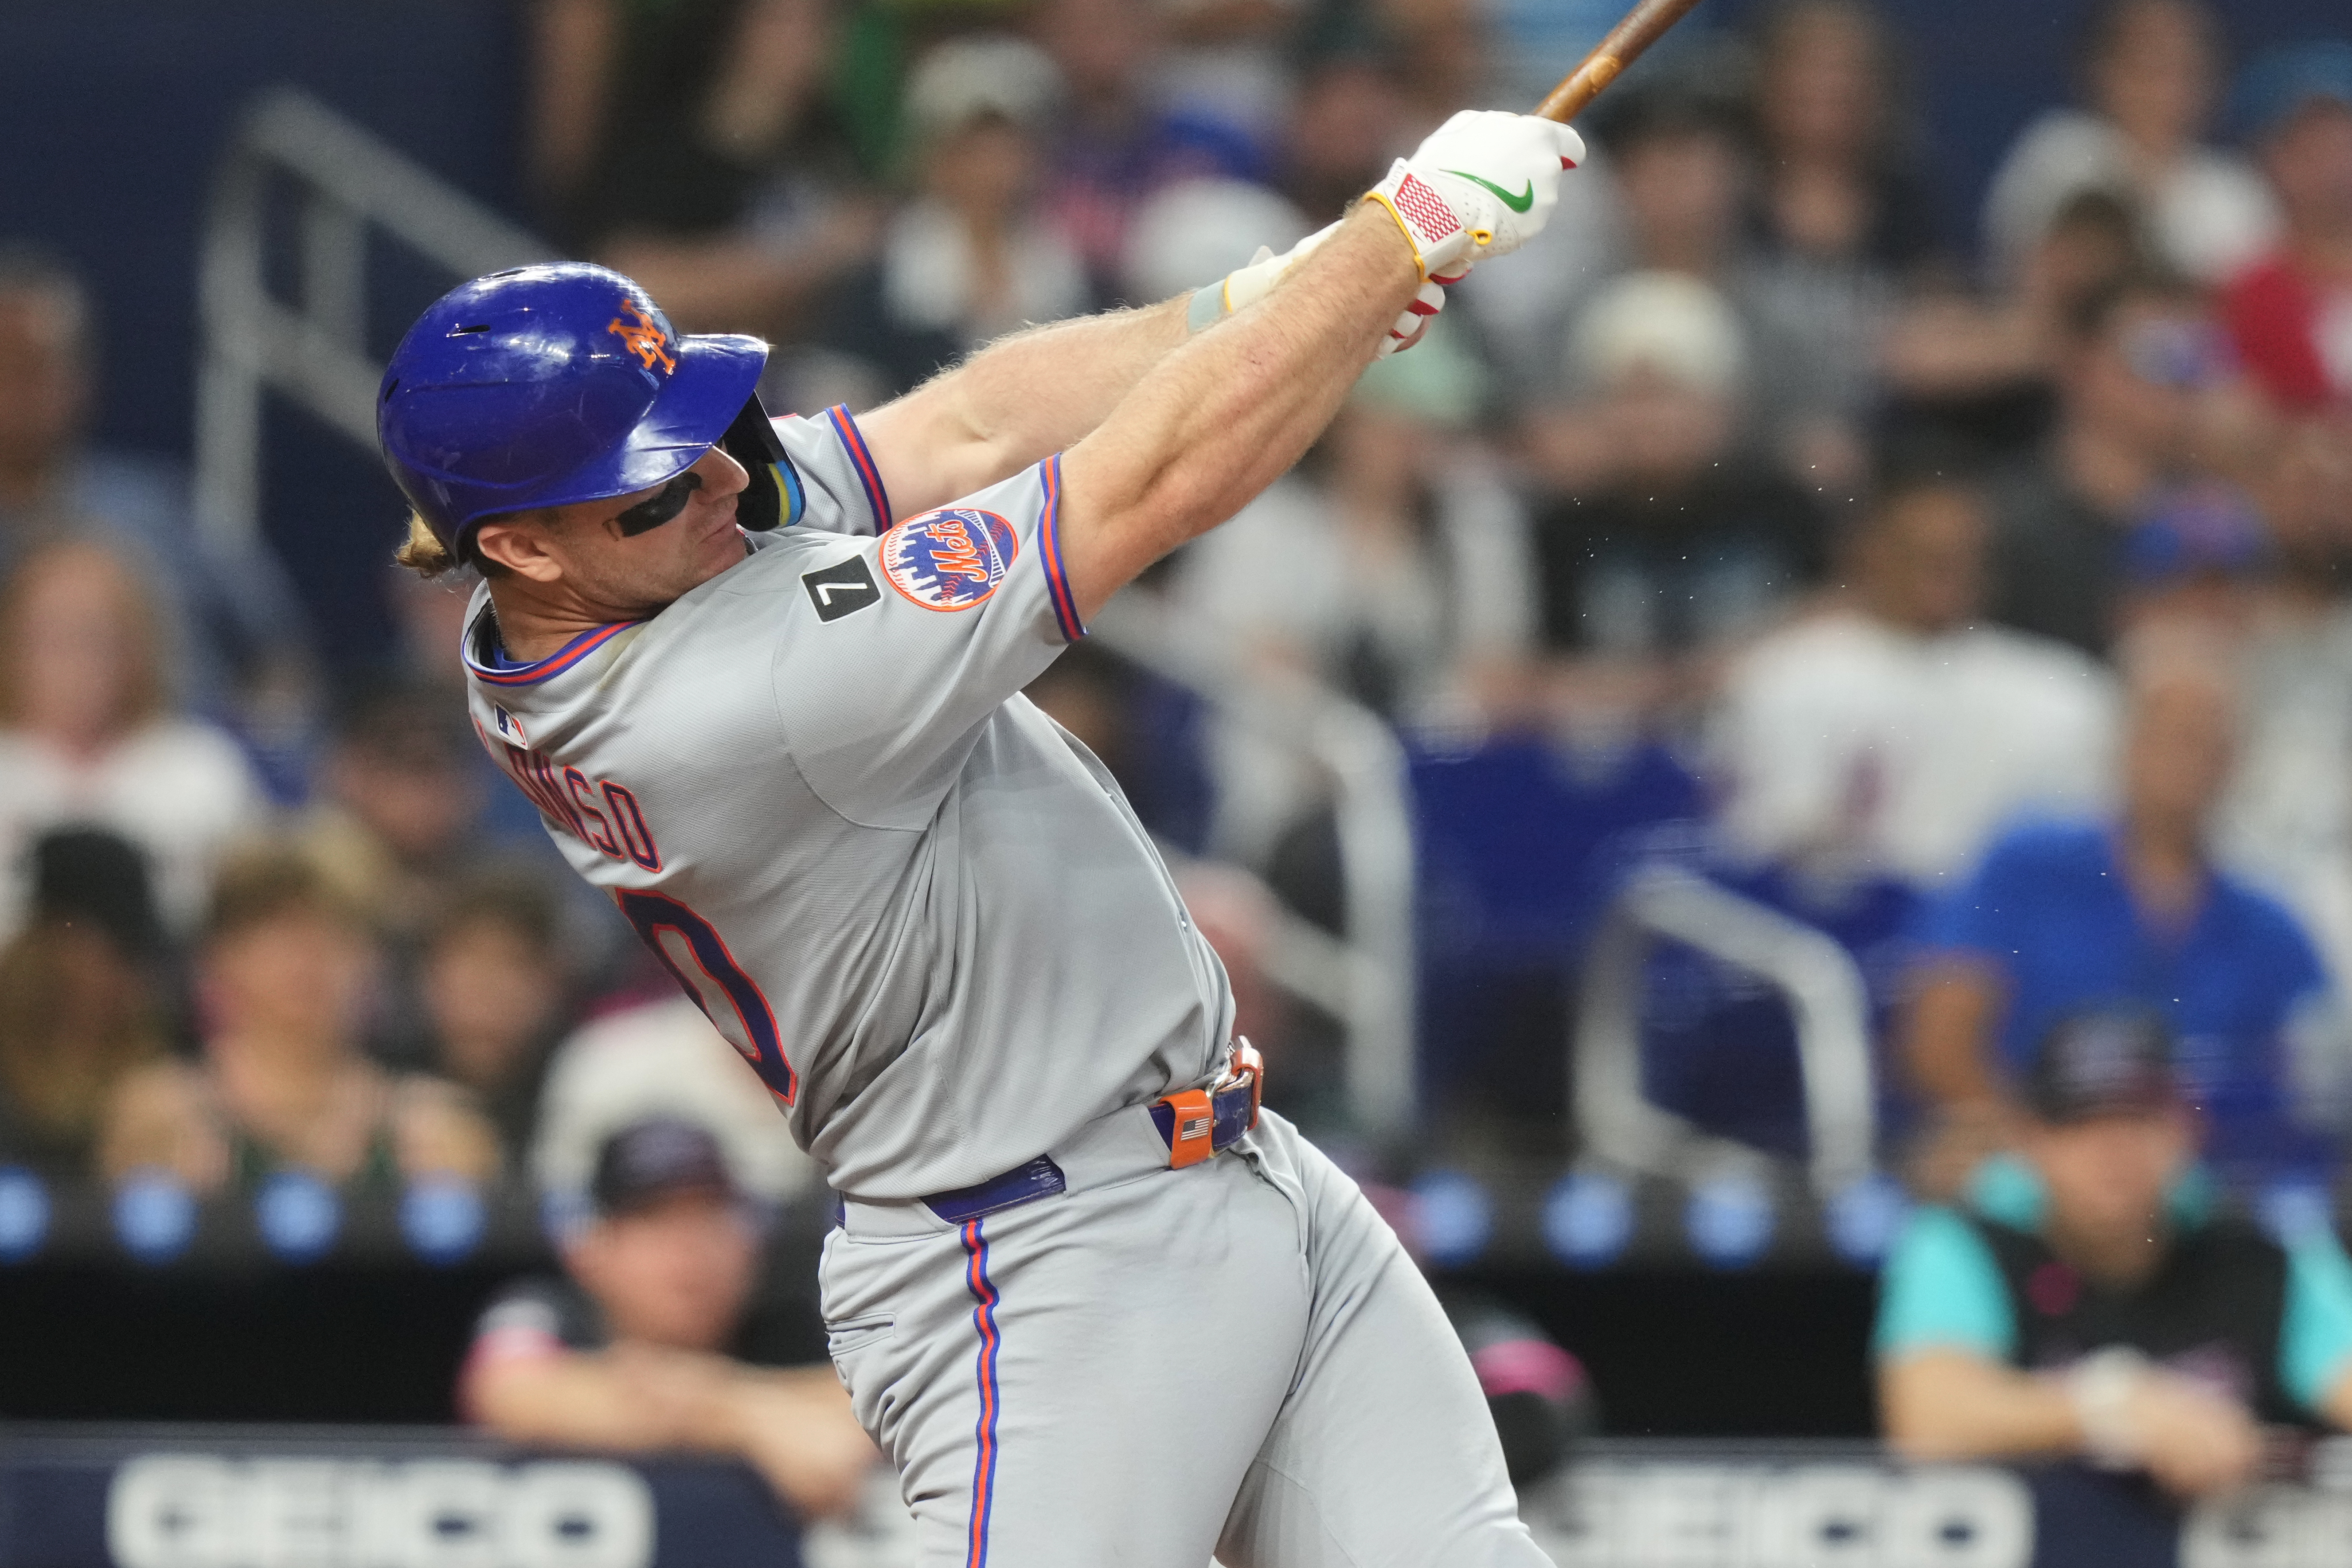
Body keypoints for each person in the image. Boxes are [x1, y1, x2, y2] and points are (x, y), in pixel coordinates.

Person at [375, 106, 1581, 1565]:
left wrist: (1268, 298)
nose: (716, 485)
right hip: (1042, 1257)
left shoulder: (599, 566)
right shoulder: (736, 701)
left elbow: (967, 421)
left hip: (1230, 1158)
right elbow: (1143, 487)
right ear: (515, 544)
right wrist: (1398, 236)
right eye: (650, 479)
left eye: (692, 432)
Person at [1901, 639, 2342, 1191]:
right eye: (2166, 734)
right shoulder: (2025, 865)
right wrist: (2048, 1155)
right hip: (2024, 1166)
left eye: (2208, 740)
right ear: (2123, 743)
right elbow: (1938, 1040)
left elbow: (2308, 1093)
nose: (2185, 758)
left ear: (2236, 762)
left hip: (2199, 1196)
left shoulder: (2271, 927)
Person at [1876, 1009, 2352, 1500]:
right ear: (2026, 1138)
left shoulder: (2262, 1248)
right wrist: (2106, 1406)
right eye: (2077, 1123)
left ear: (2185, 1128)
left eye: (2136, 1118)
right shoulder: (1965, 1238)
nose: (2110, 1150)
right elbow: (1928, 1419)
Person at [1710, 459, 2118, 888]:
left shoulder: (2061, 690)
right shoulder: (1785, 676)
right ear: (1866, 551)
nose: (1944, 571)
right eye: (1921, 553)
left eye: (1961, 554)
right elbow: (1753, 840)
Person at [464, 1116, 877, 1519]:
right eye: (653, 1219)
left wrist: (700, 1393)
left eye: (710, 1216)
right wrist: (745, 1420)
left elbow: (882, 1403)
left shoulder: (790, 1315)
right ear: (589, 1248)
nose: (688, 1248)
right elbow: (507, 1391)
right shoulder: (544, 1307)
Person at [0, 248, 310, 724]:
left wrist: (264, 752)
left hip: (173, 772)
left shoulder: (158, 510)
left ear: (79, 378)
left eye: (38, 367)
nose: (18, 392)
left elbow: (277, 650)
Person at [98, 842, 499, 1193]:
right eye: (278, 932)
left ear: (373, 961)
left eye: (335, 930)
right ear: (220, 959)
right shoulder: (161, 1114)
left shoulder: (439, 1128)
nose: (308, 956)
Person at [0, 540, 266, 938]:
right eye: (53, 636)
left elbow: (247, 920)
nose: (76, 659)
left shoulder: (205, 771)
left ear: (139, 648)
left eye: (95, 635)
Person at [1981, 271, 2249, 658]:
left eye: (2196, 354)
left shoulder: (2222, 520)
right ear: (2080, 365)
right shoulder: (2002, 521)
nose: (2181, 378)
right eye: (2156, 352)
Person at [1982, 0, 2277, 288]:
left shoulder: (2235, 190)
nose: (2168, 88)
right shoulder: (2059, 152)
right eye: (2150, 64)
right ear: (2101, 69)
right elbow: (2047, 285)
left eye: (2185, 68)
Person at [0, 830, 171, 1174]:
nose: (127, 977)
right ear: (52, 942)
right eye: (110, 953)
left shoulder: (158, 1052)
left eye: (132, 957)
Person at [2220, 42, 2352, 417]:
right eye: (2312, 148)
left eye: (2346, 143)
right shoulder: (2249, 295)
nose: (2335, 165)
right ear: (2270, 159)